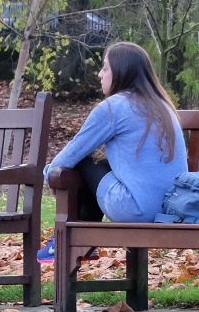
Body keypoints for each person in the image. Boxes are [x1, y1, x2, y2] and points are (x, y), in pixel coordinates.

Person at [45, 42, 187, 234]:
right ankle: (82, 241)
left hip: (136, 211)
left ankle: (72, 240)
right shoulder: (163, 106)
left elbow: (70, 154)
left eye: (105, 68)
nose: (100, 74)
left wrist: (50, 176)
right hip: (171, 210)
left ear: (121, 72)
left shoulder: (113, 108)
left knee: (85, 160)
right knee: (97, 161)